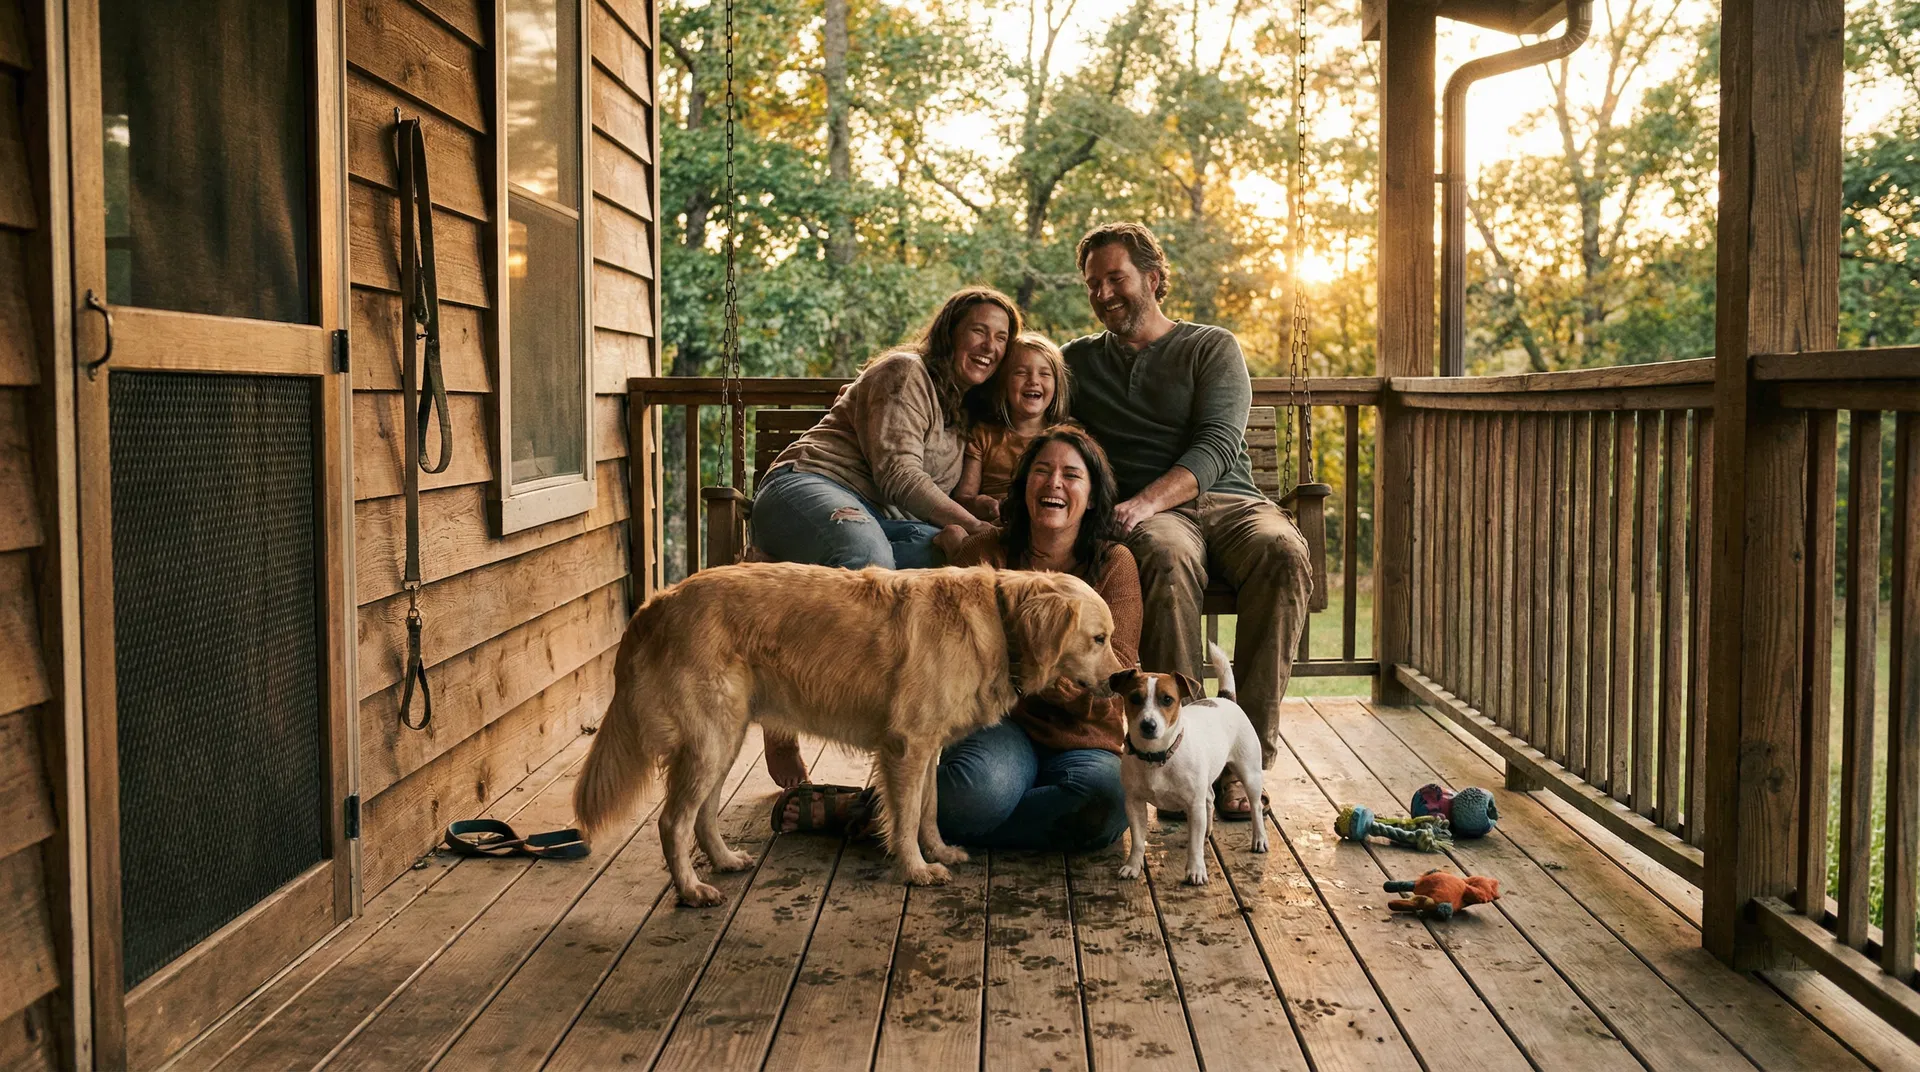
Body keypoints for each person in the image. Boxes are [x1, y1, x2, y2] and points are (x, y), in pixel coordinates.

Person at [771, 426, 1140, 854]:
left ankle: (867, 810)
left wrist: (1042, 666)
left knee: (1107, 807)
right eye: (1042, 471)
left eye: (1072, 475)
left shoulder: (1116, 563)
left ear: (1092, 496)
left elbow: (1118, 677)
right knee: (975, 793)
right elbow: (935, 639)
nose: (1054, 483)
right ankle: (923, 816)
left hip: (1083, 737)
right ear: (1023, 488)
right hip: (1003, 728)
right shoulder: (986, 552)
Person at [1064, 221, 1312, 822]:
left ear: (1152, 279)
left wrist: (1145, 501)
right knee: (1165, 559)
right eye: (1093, 284)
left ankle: (1237, 764)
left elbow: (1219, 444)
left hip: (1228, 501)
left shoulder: (1210, 347)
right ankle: (1174, 758)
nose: (1103, 293)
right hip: (1157, 523)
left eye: (1116, 278)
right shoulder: (1077, 362)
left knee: (1283, 551)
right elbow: (1032, 413)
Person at [750, 286, 1019, 787]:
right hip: (809, 486)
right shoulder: (905, 372)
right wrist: (970, 524)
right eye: (979, 331)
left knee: (956, 575)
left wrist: (977, 510)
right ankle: (784, 712)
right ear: (949, 334)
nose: (990, 346)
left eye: (1001, 338)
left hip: (877, 516)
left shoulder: (961, 407)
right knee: (863, 554)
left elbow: (936, 494)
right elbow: (899, 476)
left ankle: (916, 719)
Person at [932, 332, 1070, 560]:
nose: (1033, 381)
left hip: (1047, 522)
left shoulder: (1068, 437)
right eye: (1021, 373)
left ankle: (961, 551)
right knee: (958, 531)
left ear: (1057, 384)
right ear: (1003, 383)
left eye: (1044, 374)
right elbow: (963, 498)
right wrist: (982, 504)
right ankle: (962, 550)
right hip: (996, 527)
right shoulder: (984, 435)